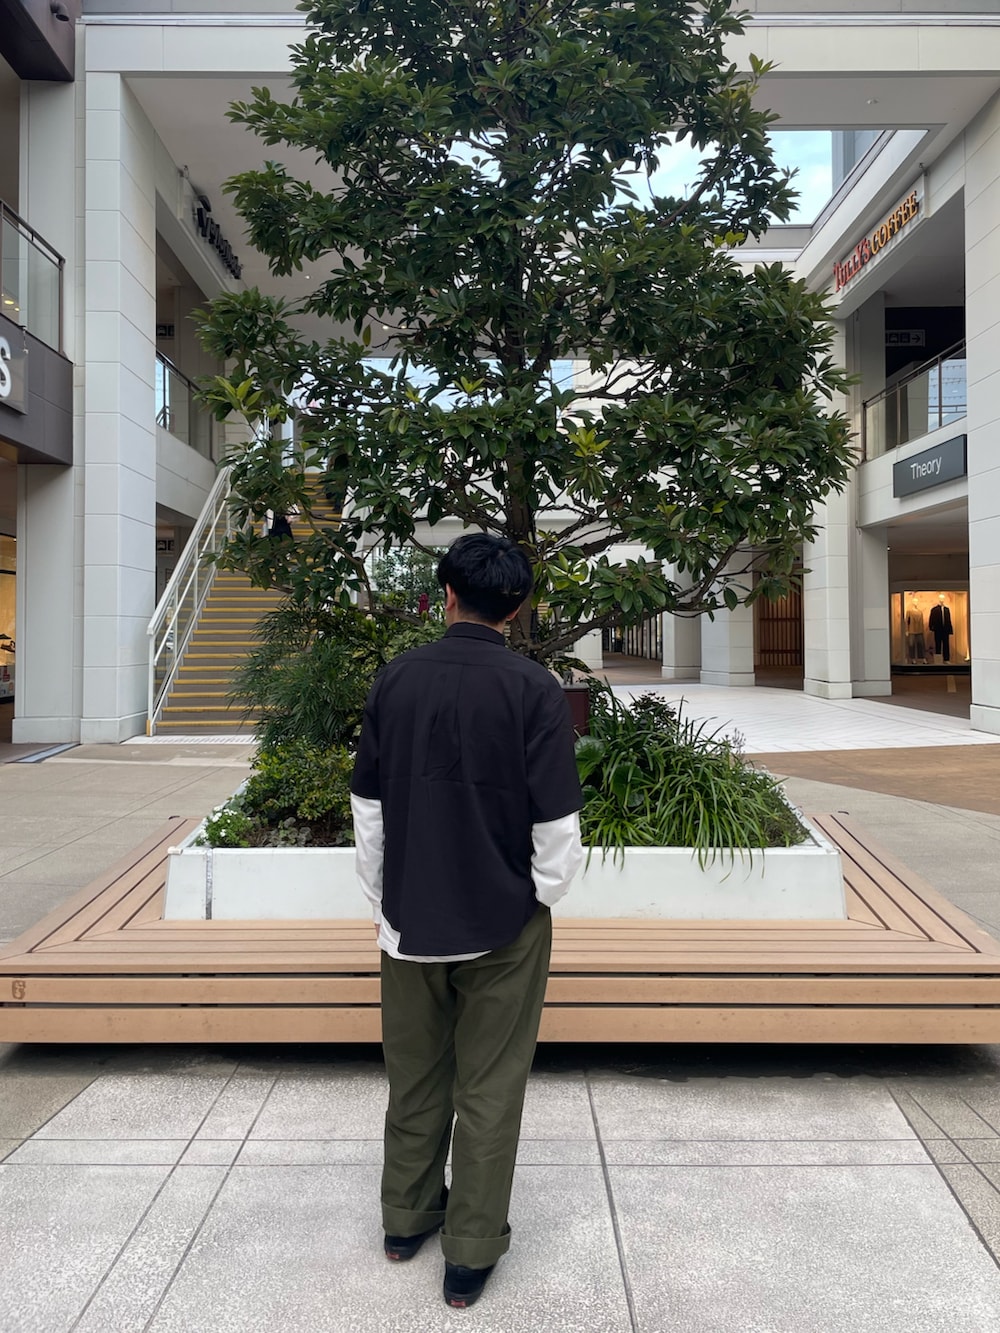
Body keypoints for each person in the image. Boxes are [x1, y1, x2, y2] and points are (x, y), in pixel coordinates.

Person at [350, 533, 583, 1310]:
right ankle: (470, 1253)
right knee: (489, 1087)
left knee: (415, 1075)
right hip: (505, 921)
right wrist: (540, 896)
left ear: (446, 594)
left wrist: (385, 898)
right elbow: (557, 825)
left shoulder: (396, 678)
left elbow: (368, 807)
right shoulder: (534, 689)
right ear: (514, 609)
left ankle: (404, 1219)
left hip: (408, 919)